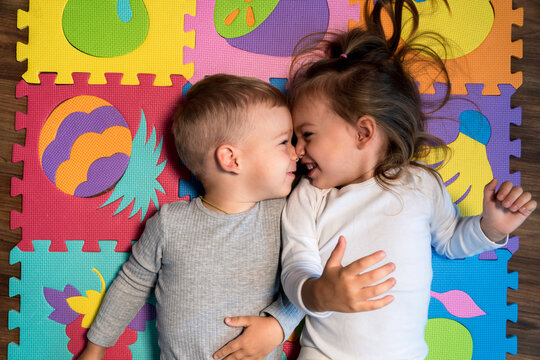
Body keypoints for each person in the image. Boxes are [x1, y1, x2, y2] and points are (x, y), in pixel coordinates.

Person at [280, 1, 537, 359]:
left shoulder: (420, 185)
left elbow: (449, 241)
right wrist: (320, 293)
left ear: (363, 133)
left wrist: (491, 228)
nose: (297, 150)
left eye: (307, 135)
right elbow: (295, 267)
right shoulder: (308, 199)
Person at [78, 74, 395, 360]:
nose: (297, 153)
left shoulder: (287, 215)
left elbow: (308, 278)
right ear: (231, 158)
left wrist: (277, 327)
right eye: (284, 142)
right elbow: (132, 283)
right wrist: (96, 347)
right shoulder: (169, 223)